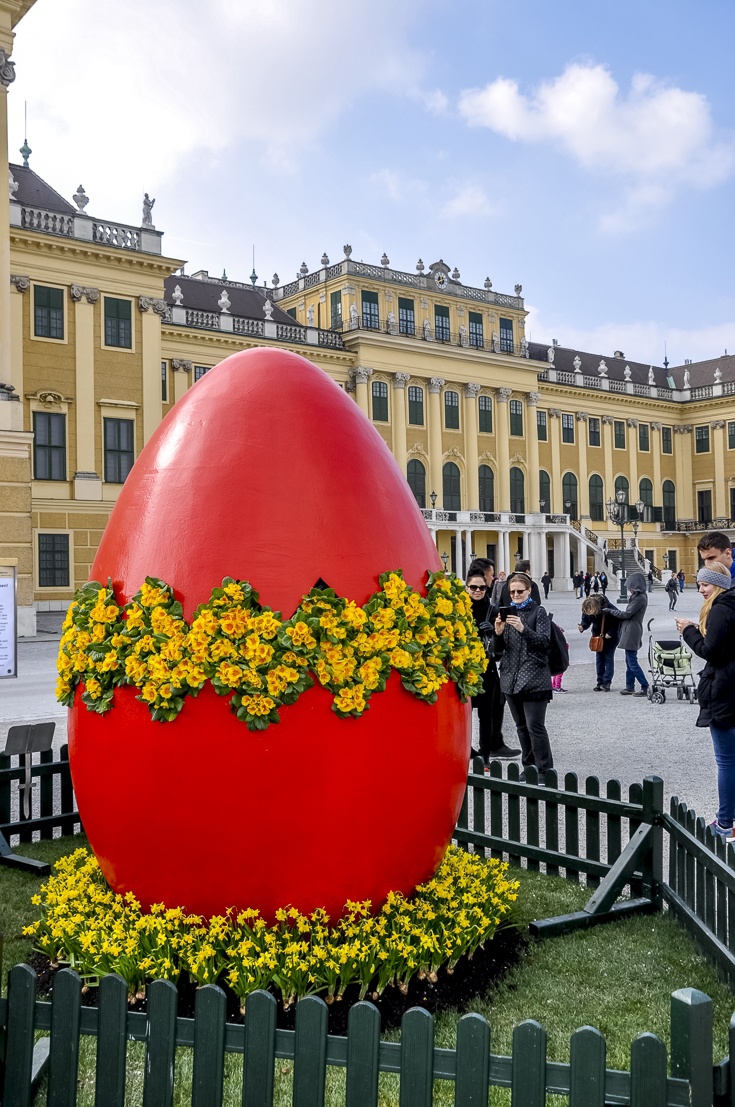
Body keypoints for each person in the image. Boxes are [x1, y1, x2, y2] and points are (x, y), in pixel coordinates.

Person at [676, 564, 735, 838]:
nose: (700, 589)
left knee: (726, 762)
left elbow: (710, 651)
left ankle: (724, 824)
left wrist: (689, 631)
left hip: (724, 692)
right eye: (699, 584)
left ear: (718, 585)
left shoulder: (721, 608)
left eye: (705, 585)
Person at [493, 571, 554, 782]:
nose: (516, 594)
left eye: (520, 591)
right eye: (512, 592)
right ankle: (528, 767)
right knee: (521, 727)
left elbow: (544, 642)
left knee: (535, 726)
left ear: (529, 591)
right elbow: (498, 652)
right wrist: (498, 633)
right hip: (510, 678)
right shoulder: (505, 614)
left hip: (535, 678)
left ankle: (545, 770)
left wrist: (522, 627)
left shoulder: (539, 612)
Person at [465, 571, 520, 764]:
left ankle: (485, 754)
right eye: (474, 587)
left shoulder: (493, 609)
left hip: (486, 665)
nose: (478, 591)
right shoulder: (459, 610)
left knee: (486, 714)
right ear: (467, 588)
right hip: (464, 667)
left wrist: (495, 631)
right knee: (465, 713)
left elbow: (503, 641)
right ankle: (467, 750)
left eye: (482, 587)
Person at [607, 572, 649, 697]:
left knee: (632, 661)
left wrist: (610, 611)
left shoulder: (640, 598)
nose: (628, 589)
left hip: (632, 630)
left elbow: (627, 614)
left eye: (630, 586)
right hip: (630, 629)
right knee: (629, 660)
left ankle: (645, 686)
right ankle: (629, 686)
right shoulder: (637, 596)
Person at [578, 593, 620, 691]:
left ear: (596, 608)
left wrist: (610, 633)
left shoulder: (608, 608)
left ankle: (606, 682)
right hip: (597, 636)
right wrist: (583, 627)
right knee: (599, 660)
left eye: (591, 612)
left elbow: (617, 620)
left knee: (608, 658)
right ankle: (599, 682)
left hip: (610, 637)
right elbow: (586, 620)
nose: (589, 613)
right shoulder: (587, 606)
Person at [551, 626, 569, 693]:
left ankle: (554, 686)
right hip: (561, 660)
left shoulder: (554, 642)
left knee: (556, 674)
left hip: (555, 660)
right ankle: (557, 687)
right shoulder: (561, 643)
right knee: (559, 674)